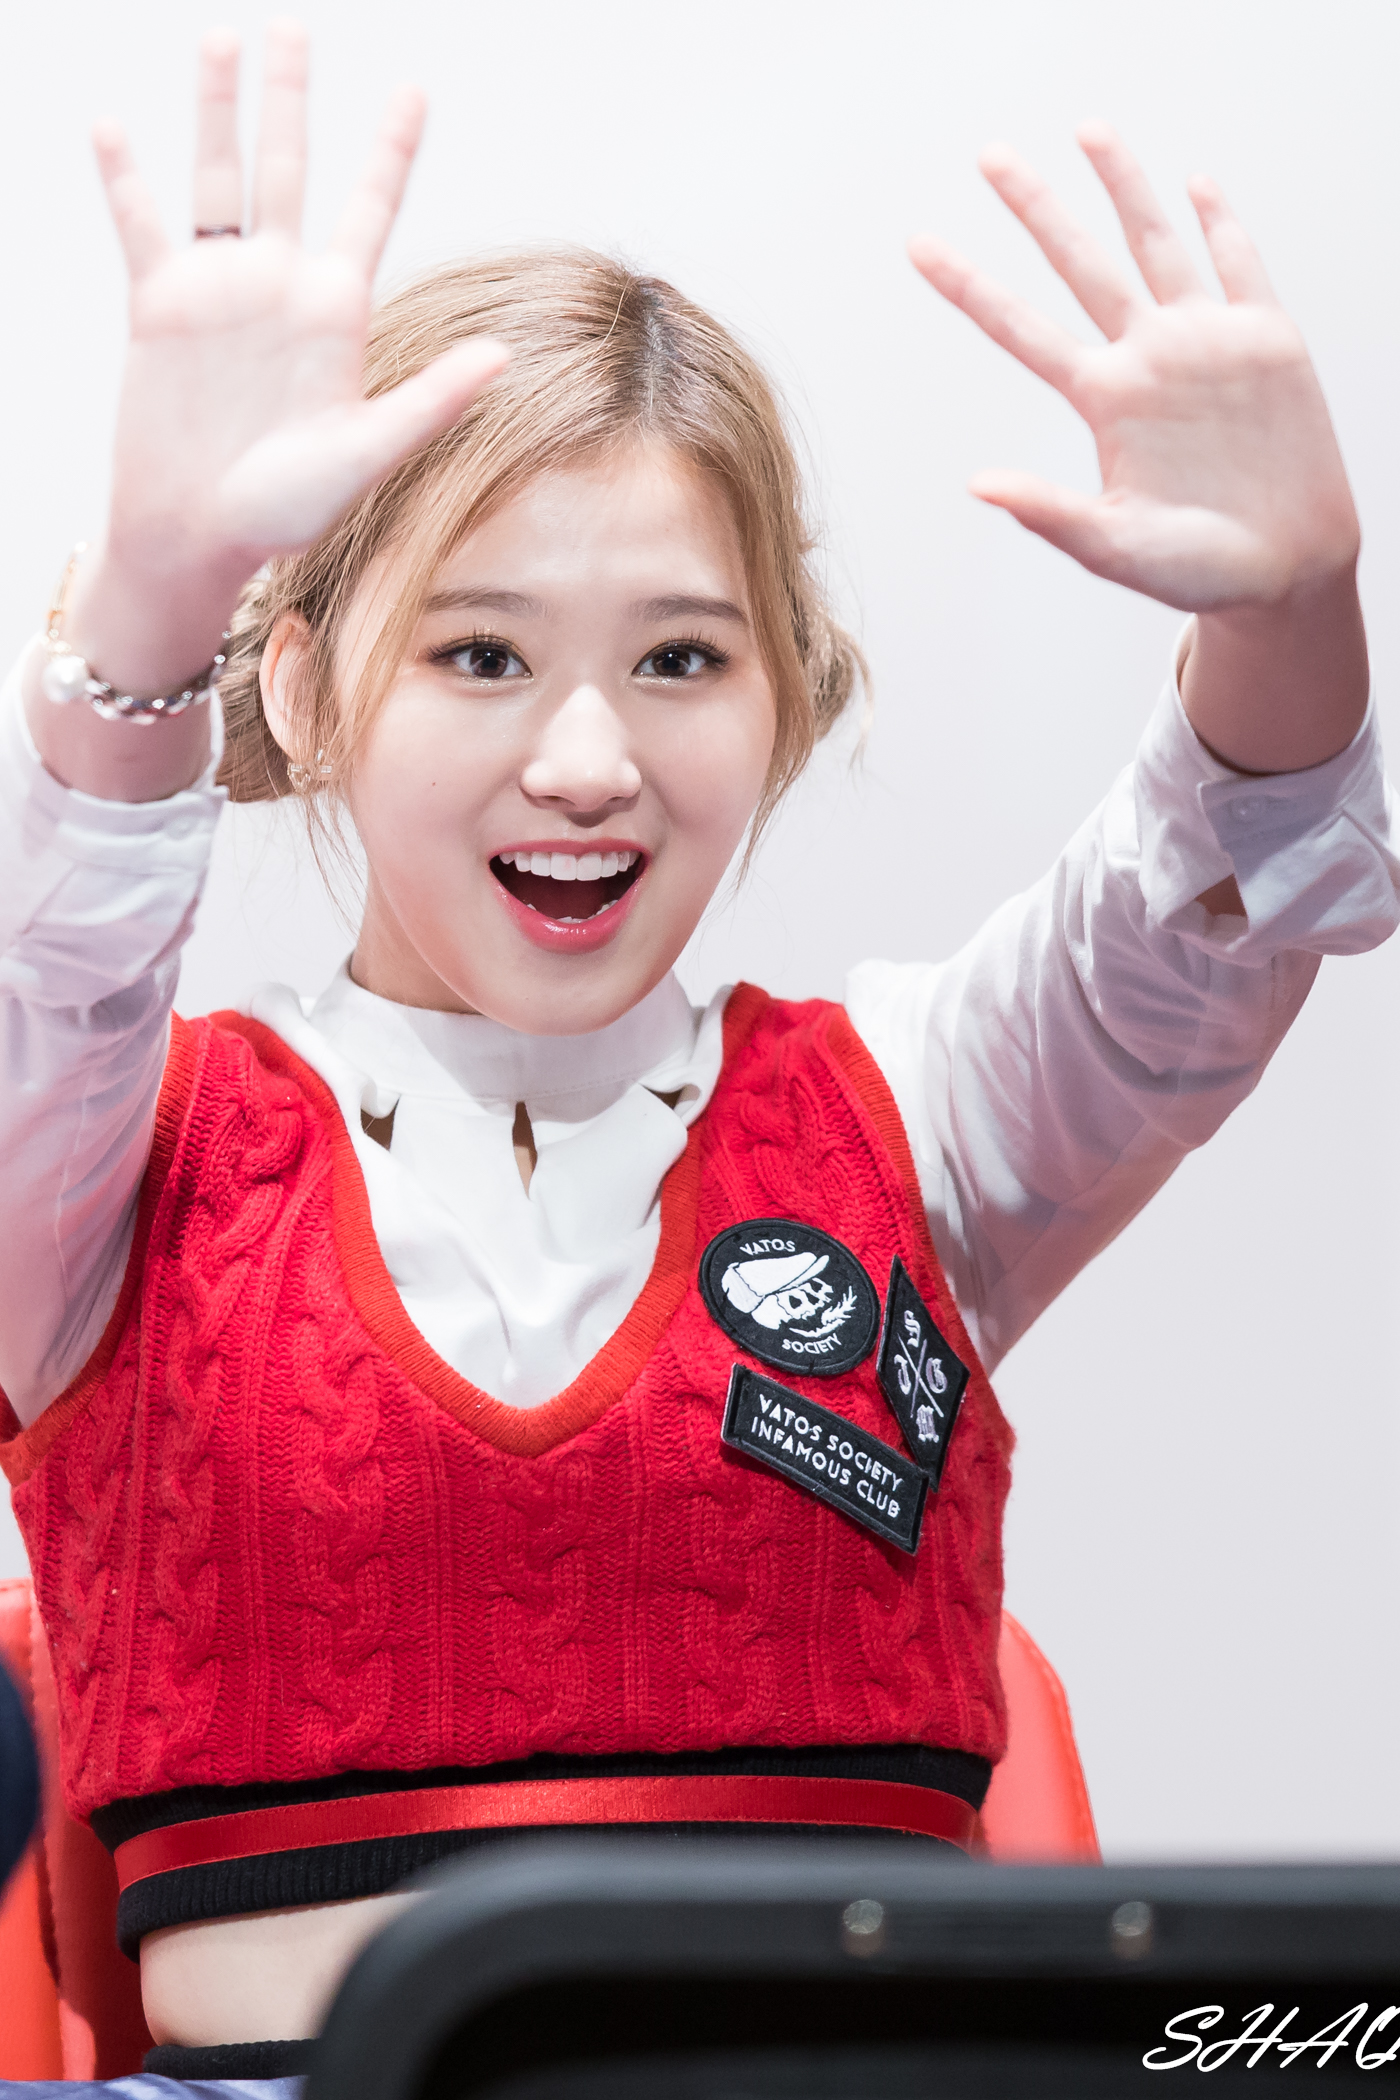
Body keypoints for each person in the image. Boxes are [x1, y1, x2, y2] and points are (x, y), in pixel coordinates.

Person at [0, 20, 1394, 2090]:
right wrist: (149, 597)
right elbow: (61, 973)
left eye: (680, 658)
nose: (590, 759)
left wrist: (1294, 614)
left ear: (784, 699)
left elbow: (1215, 908)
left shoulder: (911, 1104)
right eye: (482, 653)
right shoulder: (111, 1159)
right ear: (297, 680)